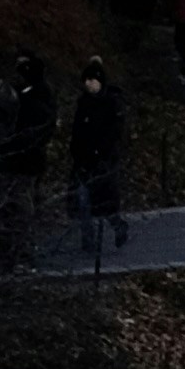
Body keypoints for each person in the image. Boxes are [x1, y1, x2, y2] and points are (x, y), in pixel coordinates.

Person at [67, 58, 130, 246]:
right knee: (82, 200)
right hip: (83, 160)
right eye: (86, 80)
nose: (88, 84)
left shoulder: (111, 103)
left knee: (104, 201)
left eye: (91, 80)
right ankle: (88, 238)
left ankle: (117, 226)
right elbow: (77, 130)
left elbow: (115, 133)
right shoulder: (83, 103)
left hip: (103, 160)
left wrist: (102, 152)